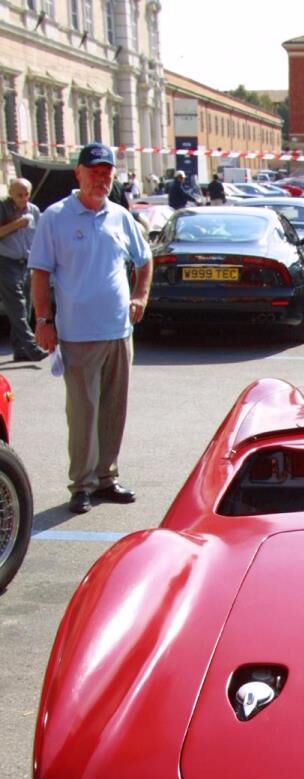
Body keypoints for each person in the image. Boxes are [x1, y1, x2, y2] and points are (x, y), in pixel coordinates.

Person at [29, 142, 152, 515]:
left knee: (114, 410)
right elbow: (40, 273)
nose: (100, 179)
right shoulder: (56, 216)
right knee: (83, 414)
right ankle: (81, 484)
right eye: (94, 172)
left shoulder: (119, 216)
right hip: (78, 333)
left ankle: (106, 478)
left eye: (106, 174)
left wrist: (140, 297)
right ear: (78, 173)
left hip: (118, 331)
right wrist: (43, 321)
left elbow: (144, 260)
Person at [0, 177, 46, 362]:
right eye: (19, 195)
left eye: (26, 194)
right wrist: (16, 224)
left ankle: (20, 349)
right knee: (16, 306)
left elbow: (39, 236)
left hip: (26, 263)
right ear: (11, 194)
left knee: (26, 306)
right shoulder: (3, 208)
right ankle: (32, 346)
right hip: (6, 261)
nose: (24, 198)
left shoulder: (33, 210)